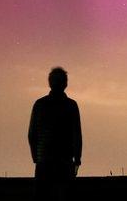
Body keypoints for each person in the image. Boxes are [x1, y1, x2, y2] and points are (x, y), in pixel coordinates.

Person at [28, 67, 81, 201]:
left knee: (42, 198)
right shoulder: (71, 106)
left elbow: (31, 134)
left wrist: (36, 156)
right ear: (65, 84)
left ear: (50, 83)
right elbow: (77, 134)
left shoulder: (39, 105)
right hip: (64, 160)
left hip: (43, 161)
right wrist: (77, 158)